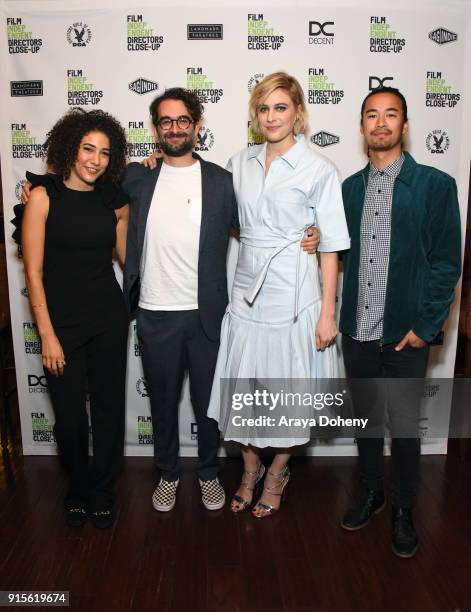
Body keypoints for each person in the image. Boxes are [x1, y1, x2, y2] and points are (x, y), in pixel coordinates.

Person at [123, 87, 318, 513]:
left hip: (208, 315)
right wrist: (36, 189)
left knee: (209, 404)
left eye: (182, 120)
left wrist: (312, 230)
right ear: (156, 129)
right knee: (161, 402)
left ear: (196, 125)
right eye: (165, 121)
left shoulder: (221, 180)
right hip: (154, 313)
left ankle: (209, 473)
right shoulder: (137, 177)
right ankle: (169, 473)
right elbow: (87, 191)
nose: (174, 128)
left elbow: (259, 224)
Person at [207, 72, 351, 518]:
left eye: (281, 107)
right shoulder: (238, 162)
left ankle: (276, 473)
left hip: (296, 296)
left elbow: (331, 246)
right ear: (256, 114)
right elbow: (222, 215)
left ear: (298, 113)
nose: (271, 116)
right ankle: (250, 469)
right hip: (247, 289)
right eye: (264, 108)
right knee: (245, 388)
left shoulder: (320, 168)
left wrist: (327, 314)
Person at [339, 87, 461, 557]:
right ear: (363, 126)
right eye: (372, 115)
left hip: (406, 335)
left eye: (391, 114)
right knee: (367, 422)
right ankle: (372, 493)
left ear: (405, 126)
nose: (381, 122)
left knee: (405, 428)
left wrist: (425, 326)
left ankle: (405, 509)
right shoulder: (349, 188)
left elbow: (447, 263)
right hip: (358, 330)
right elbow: (341, 251)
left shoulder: (434, 185)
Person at [20, 108, 129, 529]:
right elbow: (32, 272)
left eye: (104, 152)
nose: (95, 160)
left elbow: (127, 259)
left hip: (108, 317)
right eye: (88, 148)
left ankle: (102, 491)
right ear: (71, 147)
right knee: (68, 419)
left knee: (108, 411)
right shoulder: (43, 197)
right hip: (60, 325)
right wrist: (46, 334)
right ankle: (77, 488)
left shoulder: (113, 201)